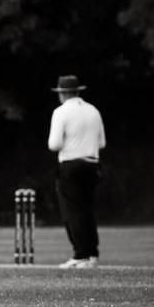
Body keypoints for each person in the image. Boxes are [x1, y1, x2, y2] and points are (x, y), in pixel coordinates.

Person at [48, 74, 106, 269]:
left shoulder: (61, 112)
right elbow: (102, 143)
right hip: (92, 164)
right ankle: (92, 254)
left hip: (71, 165)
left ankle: (80, 254)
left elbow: (54, 144)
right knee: (87, 209)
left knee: (73, 210)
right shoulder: (93, 111)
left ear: (63, 93)